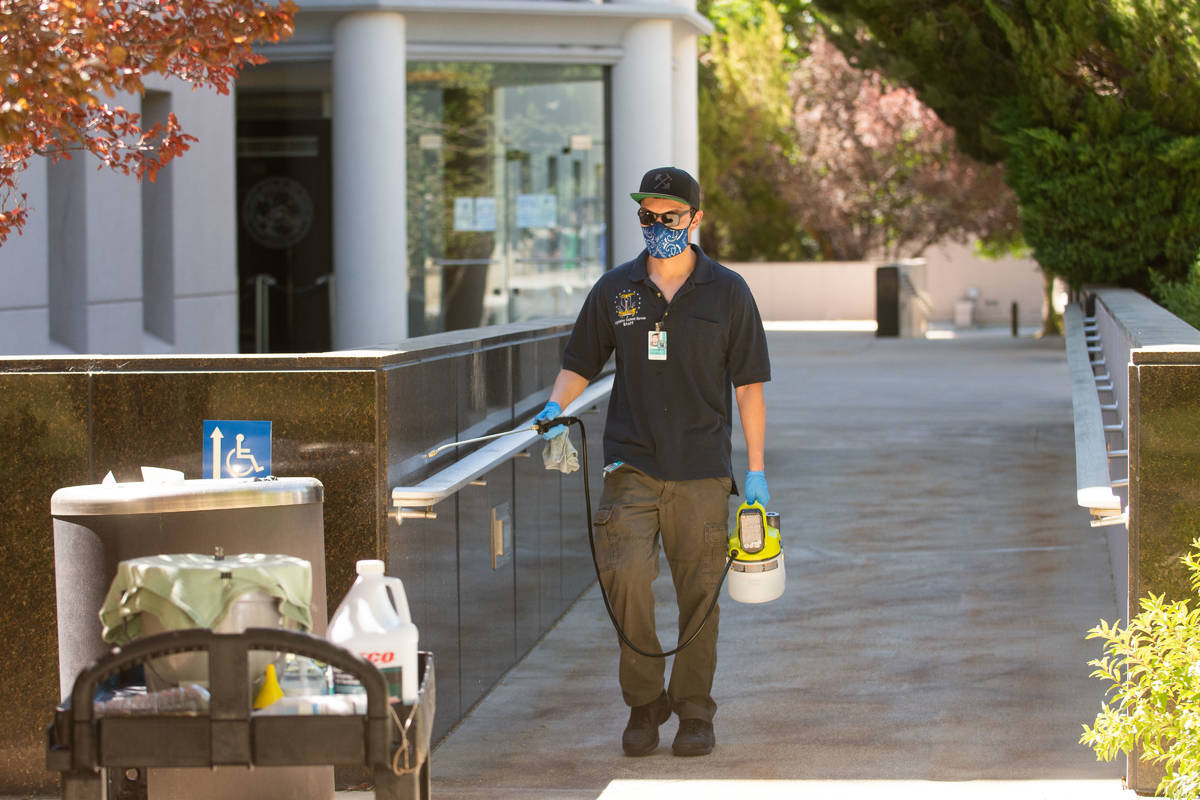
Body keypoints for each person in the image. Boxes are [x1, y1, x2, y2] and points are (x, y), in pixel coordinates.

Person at [534, 166, 771, 757]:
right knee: (626, 583)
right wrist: (552, 406)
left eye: (670, 216)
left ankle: (694, 711)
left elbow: (749, 387)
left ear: (695, 219)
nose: (658, 226)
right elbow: (580, 361)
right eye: (648, 216)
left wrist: (758, 473)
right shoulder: (615, 289)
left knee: (699, 596)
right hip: (631, 466)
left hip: (702, 470)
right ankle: (645, 704)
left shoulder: (729, 291)